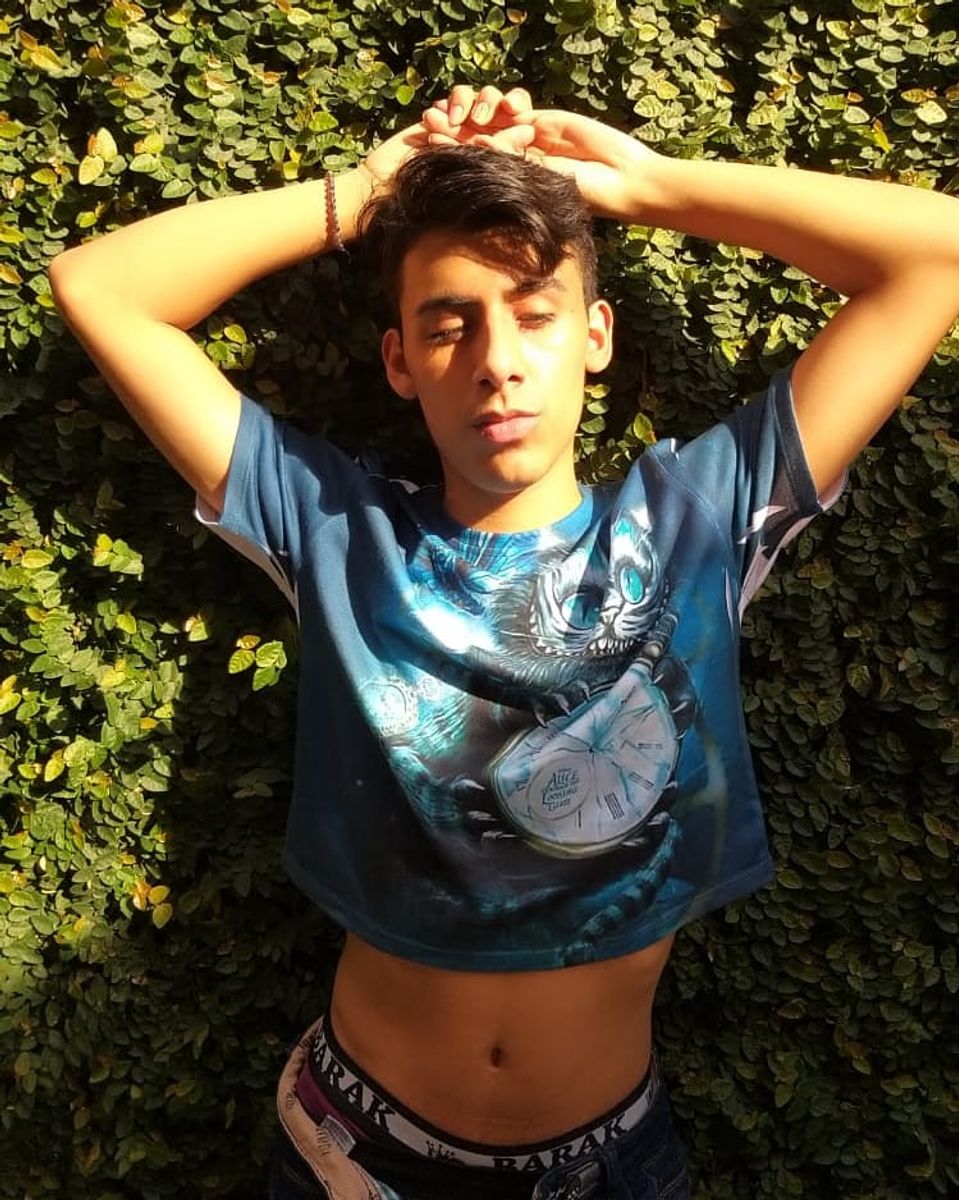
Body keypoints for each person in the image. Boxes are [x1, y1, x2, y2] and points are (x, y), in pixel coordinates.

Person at [49, 83, 959, 1200]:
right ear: (398, 362)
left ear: (594, 337)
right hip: (355, 1155)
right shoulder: (334, 529)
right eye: (449, 324)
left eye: (533, 314)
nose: (496, 360)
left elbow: (936, 252)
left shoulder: (700, 524)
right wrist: (364, 194)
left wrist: (650, 186)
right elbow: (100, 286)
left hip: (605, 1166)